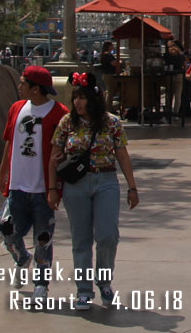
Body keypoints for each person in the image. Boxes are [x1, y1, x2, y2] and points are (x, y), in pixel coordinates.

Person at [48, 72, 137, 310]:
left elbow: (122, 154)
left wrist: (132, 187)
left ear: (94, 98)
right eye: (75, 97)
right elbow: (54, 156)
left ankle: (105, 281)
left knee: (108, 236)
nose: (77, 102)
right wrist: (52, 188)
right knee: (81, 239)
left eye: (83, 97)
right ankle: (83, 290)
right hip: (76, 185)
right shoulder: (67, 122)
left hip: (106, 180)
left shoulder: (112, 122)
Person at [0, 66, 69, 301]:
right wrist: (2, 174)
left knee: (43, 238)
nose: (19, 87)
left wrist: (55, 187)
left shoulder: (59, 113)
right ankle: (21, 258)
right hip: (17, 186)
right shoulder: (16, 109)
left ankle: (41, 284)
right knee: (7, 232)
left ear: (35, 89)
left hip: (42, 188)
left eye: (23, 83)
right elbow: (9, 142)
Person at [164, 40, 186, 122]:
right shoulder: (181, 55)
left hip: (169, 75)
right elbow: (184, 65)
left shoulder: (167, 54)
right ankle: (176, 113)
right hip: (179, 75)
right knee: (178, 95)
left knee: (169, 95)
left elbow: (164, 63)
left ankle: (168, 112)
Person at [99, 40, 118, 110]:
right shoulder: (107, 55)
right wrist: (119, 62)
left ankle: (105, 104)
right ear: (109, 46)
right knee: (110, 92)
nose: (113, 46)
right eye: (112, 45)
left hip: (106, 74)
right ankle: (108, 108)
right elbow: (113, 63)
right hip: (109, 75)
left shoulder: (104, 54)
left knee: (109, 91)